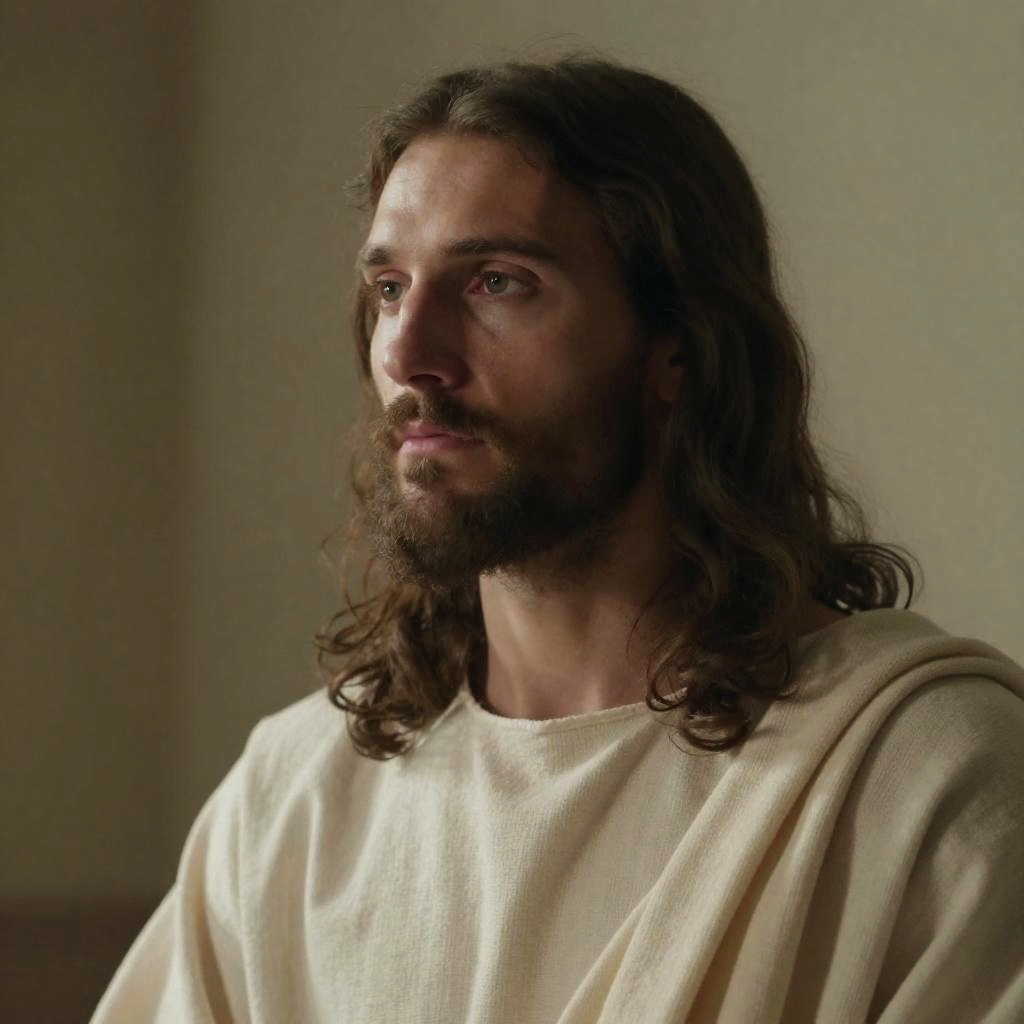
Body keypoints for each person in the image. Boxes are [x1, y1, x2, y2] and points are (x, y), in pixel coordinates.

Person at [92, 56, 1024, 1023]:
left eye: (498, 282)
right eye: (388, 288)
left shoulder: (921, 775)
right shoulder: (292, 799)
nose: (410, 352)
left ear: (680, 345)